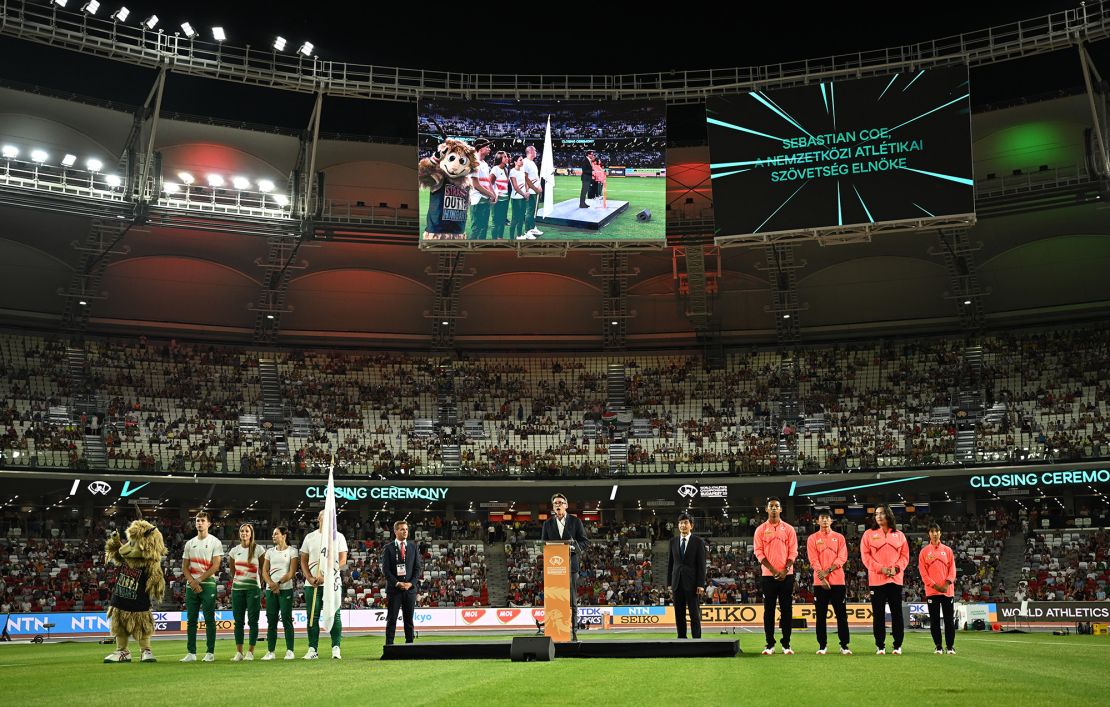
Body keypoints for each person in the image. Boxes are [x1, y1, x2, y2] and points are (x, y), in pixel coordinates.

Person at [540, 492, 589, 641]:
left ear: (566, 505)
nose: (558, 505)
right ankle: (554, 631)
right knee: (554, 599)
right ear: (553, 507)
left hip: (571, 566)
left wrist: (572, 548)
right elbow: (544, 544)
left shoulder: (575, 522)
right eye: (556, 503)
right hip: (553, 569)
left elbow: (584, 542)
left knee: (572, 600)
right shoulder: (547, 524)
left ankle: (573, 632)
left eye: (561, 503)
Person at [861, 504, 909, 655]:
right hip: (877, 580)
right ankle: (880, 645)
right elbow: (866, 557)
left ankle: (897, 645)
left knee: (897, 614)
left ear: (888, 515)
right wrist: (881, 569)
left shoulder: (899, 535)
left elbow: (905, 556)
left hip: (895, 580)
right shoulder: (868, 534)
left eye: (881, 513)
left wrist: (896, 568)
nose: (879, 516)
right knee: (879, 614)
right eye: (876, 514)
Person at [300, 511, 348, 660]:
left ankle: (336, 648)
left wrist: (326, 576)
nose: (326, 519)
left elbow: (342, 560)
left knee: (335, 614)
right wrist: (309, 577)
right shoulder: (310, 537)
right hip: (312, 584)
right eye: (324, 517)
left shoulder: (338, 537)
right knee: (312, 617)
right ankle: (312, 649)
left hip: (331, 583)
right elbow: (303, 560)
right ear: (318, 519)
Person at [753, 497, 797, 655]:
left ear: (780, 509)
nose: (773, 508)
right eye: (771, 506)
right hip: (768, 576)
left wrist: (785, 570)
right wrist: (772, 570)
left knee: (787, 610)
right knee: (769, 611)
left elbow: (793, 551)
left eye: (776, 506)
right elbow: (758, 552)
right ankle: (769, 644)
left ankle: (786, 644)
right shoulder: (760, 530)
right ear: (766, 509)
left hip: (787, 575)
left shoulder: (789, 529)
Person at [806, 510, 851, 655]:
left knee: (841, 615)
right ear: (817, 521)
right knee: (820, 616)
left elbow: (842, 557)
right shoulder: (812, 538)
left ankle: (844, 645)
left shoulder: (839, 537)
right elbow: (813, 560)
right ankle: (822, 646)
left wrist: (828, 571)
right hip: (820, 583)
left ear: (831, 521)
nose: (825, 520)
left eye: (827, 518)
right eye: (822, 518)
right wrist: (822, 577)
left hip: (838, 581)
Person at [180, 511, 223, 662]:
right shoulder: (189, 543)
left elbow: (216, 565)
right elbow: (184, 567)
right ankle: (191, 653)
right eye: (197, 520)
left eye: (202, 520)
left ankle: (210, 652)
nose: (199, 523)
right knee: (191, 620)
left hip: (208, 584)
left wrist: (197, 580)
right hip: (191, 585)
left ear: (209, 523)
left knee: (209, 619)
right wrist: (192, 581)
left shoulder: (215, 542)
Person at [228, 522, 265, 661]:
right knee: (238, 622)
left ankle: (250, 652)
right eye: (242, 531)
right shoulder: (234, 551)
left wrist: (258, 584)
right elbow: (233, 571)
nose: (244, 533)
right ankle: (239, 652)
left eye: (247, 531)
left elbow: (264, 568)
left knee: (253, 621)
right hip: (237, 589)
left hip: (253, 589)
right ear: (239, 533)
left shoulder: (258, 549)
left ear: (251, 534)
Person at [919, 522, 957, 655]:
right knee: (934, 621)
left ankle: (950, 646)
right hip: (932, 591)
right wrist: (935, 586)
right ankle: (938, 646)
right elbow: (923, 573)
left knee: (949, 620)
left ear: (940, 533)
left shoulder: (948, 550)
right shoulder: (924, 552)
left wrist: (946, 584)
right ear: (929, 534)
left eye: (937, 531)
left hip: (947, 591)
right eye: (932, 531)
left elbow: (952, 570)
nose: (935, 534)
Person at [382, 520, 422, 645]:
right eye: (402, 529)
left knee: (409, 620)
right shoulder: (388, 548)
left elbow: (417, 568)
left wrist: (411, 583)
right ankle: (389, 645)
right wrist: (397, 583)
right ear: (395, 531)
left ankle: (410, 645)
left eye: (406, 529)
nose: (405, 531)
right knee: (392, 619)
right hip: (395, 590)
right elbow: (386, 570)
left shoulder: (412, 547)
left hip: (410, 590)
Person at [261, 526, 298, 661]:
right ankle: (271, 651)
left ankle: (290, 651)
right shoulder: (269, 552)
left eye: (276, 534)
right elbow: (264, 571)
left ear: (284, 535)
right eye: (273, 534)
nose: (273, 536)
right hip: (271, 589)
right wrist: (271, 584)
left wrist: (278, 584)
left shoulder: (292, 551)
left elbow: (291, 572)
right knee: (271, 621)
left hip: (285, 589)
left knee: (287, 620)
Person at [667, 512, 706, 639]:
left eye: (686, 523)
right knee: (679, 614)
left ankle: (697, 640)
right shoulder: (673, 541)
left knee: (694, 614)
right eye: (681, 523)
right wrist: (669, 583)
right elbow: (670, 563)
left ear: (691, 526)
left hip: (693, 583)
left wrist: (701, 584)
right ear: (678, 525)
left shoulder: (698, 541)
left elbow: (701, 564)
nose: (683, 525)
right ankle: (681, 639)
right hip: (677, 582)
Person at [468, 138, 496, 240]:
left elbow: (487, 182)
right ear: (480, 148)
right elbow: (475, 184)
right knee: (476, 229)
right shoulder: (474, 162)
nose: (489, 148)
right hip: (477, 200)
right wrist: (491, 194)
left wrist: (493, 193)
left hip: (485, 199)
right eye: (487, 146)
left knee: (483, 228)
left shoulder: (484, 163)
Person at [521, 145, 544, 239]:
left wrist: (540, 186)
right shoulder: (525, 162)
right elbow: (525, 178)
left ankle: (533, 227)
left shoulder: (532, 163)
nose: (536, 151)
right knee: (530, 212)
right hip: (530, 191)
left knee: (534, 211)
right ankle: (527, 231)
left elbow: (535, 177)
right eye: (534, 150)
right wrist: (535, 189)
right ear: (530, 151)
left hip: (534, 190)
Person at [489, 151, 511, 240]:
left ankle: (500, 238)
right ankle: (494, 240)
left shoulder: (505, 169)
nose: (507, 158)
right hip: (497, 200)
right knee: (496, 221)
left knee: (502, 221)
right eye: (505, 157)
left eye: (507, 156)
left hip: (505, 199)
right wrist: (494, 196)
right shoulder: (495, 169)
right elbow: (489, 184)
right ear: (499, 159)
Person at [508, 155, 529, 240]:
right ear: (515, 162)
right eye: (520, 160)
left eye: (522, 160)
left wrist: (527, 192)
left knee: (521, 217)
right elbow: (515, 187)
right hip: (516, 198)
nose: (522, 161)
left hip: (523, 197)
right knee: (515, 218)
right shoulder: (513, 172)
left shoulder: (522, 170)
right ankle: (511, 238)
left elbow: (525, 182)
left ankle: (519, 235)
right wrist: (524, 194)